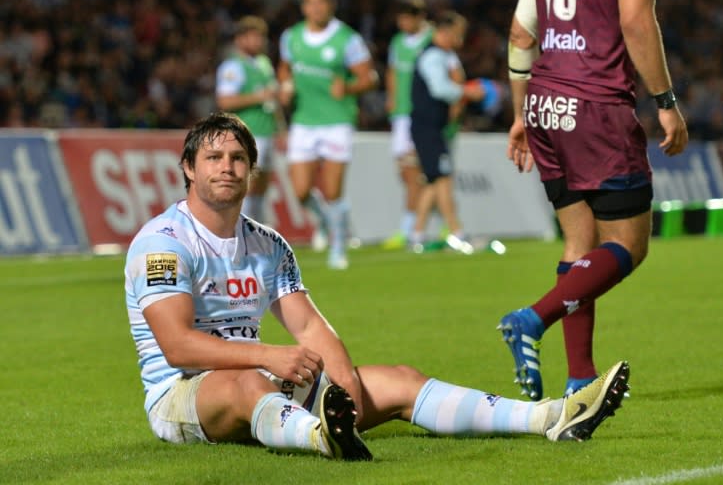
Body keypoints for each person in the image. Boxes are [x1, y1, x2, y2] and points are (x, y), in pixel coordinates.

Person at [123, 111, 631, 460]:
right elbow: (176, 344)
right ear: (189, 169)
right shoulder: (163, 243)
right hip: (184, 393)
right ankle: (322, 436)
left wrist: (344, 388)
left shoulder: (268, 242)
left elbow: (309, 325)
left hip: (264, 379)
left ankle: (548, 416)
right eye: (213, 159)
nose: (226, 168)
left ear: (252, 172)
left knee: (399, 380)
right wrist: (269, 356)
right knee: (248, 384)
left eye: (236, 158)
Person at [500, 0, 688, 400]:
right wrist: (666, 102)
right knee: (629, 244)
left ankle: (580, 379)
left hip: (543, 104)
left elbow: (520, 32)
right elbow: (636, 20)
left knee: (579, 246)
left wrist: (519, 115)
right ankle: (532, 318)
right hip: (595, 108)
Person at [277, 0, 378, 269]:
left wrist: (347, 87)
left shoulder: (347, 39)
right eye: (310, 2)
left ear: (331, 5)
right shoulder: (291, 37)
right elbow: (284, 69)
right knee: (300, 191)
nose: (316, 8)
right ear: (303, 7)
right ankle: (324, 222)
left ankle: (338, 246)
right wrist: (285, 85)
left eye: (321, 2)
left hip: (336, 120)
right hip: (304, 121)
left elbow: (369, 78)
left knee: (333, 191)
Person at [409, 11, 486, 254]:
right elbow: (440, 88)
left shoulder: (438, 54)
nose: (460, 41)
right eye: (458, 35)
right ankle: (457, 232)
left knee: (433, 180)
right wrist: (466, 92)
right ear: (445, 32)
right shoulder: (433, 55)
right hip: (427, 126)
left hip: (429, 126)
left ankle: (417, 234)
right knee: (443, 179)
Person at [215, 15, 285, 224]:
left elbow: (272, 100)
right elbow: (225, 101)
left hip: (267, 131)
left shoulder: (264, 63)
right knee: (246, 184)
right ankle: (238, 228)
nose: (257, 41)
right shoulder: (232, 67)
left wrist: (280, 128)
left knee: (262, 184)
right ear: (240, 40)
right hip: (248, 132)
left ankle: (258, 229)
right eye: (252, 36)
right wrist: (258, 96)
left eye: (260, 37)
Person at [381, 0, 433, 250]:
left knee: (416, 173)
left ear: (419, 17)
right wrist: (391, 98)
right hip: (401, 114)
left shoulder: (431, 40)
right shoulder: (398, 42)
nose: (402, 24)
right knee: (407, 173)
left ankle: (410, 228)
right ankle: (429, 221)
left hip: (422, 114)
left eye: (406, 18)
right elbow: (392, 71)